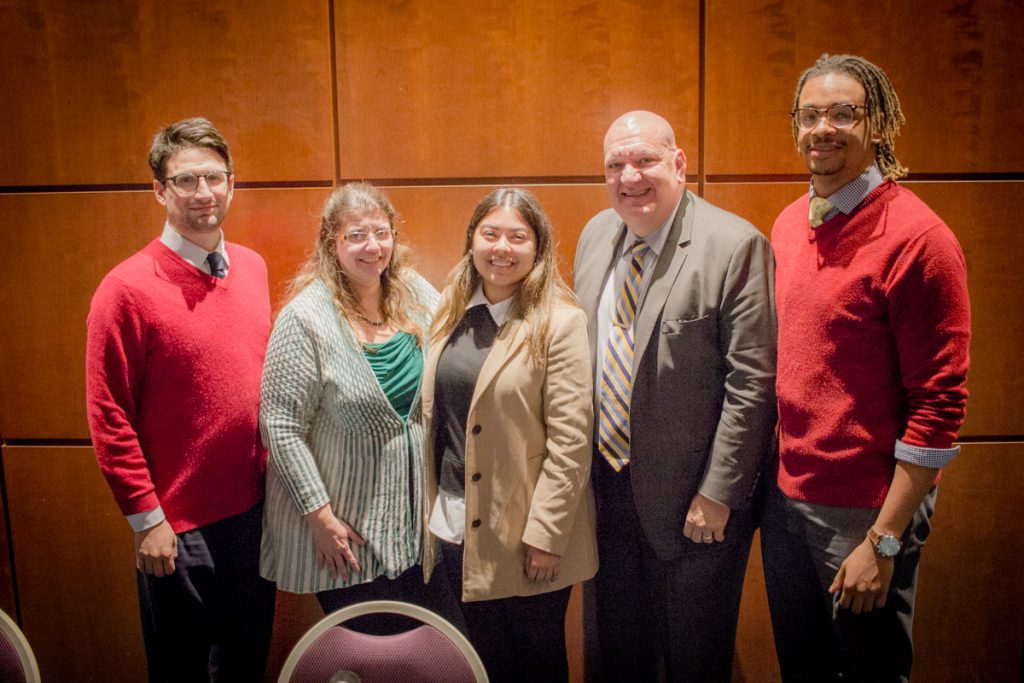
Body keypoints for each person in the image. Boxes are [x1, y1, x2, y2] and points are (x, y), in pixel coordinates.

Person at [762, 54, 970, 682]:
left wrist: (883, 541)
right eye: (810, 114)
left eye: (843, 113)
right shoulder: (790, 223)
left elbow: (939, 408)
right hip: (788, 500)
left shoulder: (919, 238)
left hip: (865, 513)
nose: (823, 128)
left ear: (877, 124)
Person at [573, 110, 777, 682]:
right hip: (605, 495)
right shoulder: (594, 236)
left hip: (695, 507)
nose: (630, 176)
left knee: (695, 660)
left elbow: (752, 383)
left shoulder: (735, 246)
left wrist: (719, 493)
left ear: (679, 163)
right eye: (616, 164)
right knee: (614, 657)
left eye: (645, 160)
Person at [85, 117, 276, 682]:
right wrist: (147, 522)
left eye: (214, 178)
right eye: (186, 180)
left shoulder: (254, 268)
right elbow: (108, 414)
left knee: (246, 668)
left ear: (232, 183)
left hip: (253, 518)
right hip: (176, 530)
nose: (203, 193)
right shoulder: (125, 288)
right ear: (160, 190)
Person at [421, 188, 598, 683]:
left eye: (518, 237)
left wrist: (546, 535)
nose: (502, 248)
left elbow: (571, 443)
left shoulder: (559, 322)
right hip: (455, 524)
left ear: (538, 248)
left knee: (535, 664)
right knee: (482, 664)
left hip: (526, 537)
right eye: (490, 233)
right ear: (471, 241)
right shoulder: (449, 311)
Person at [259, 182, 445, 631]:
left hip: (413, 532)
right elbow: (280, 425)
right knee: (374, 660)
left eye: (381, 233)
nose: (372, 246)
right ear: (332, 242)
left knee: (430, 655)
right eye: (356, 235)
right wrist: (320, 518)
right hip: (344, 535)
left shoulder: (417, 295)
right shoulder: (305, 318)